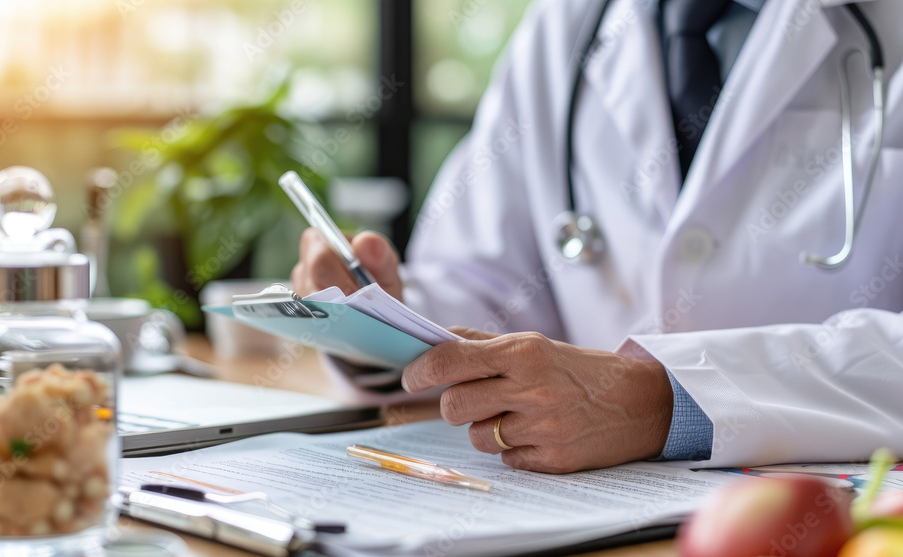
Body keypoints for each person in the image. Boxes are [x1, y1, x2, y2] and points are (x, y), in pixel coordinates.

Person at [292, 0, 903, 473]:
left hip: (841, 532)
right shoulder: (569, 23)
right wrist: (380, 318)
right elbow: (487, 284)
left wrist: (664, 399)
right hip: (586, 511)